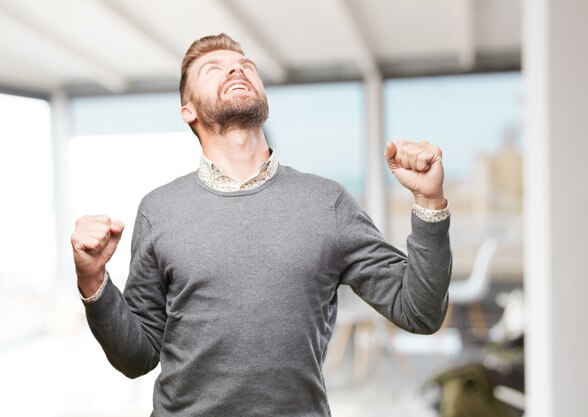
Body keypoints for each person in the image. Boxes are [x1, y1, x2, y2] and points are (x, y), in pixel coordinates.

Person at [71, 33, 452, 417]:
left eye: (245, 66)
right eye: (213, 69)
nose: (236, 69)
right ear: (188, 110)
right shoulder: (160, 209)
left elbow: (419, 312)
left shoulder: (327, 202)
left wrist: (429, 202)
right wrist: (92, 282)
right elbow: (137, 358)